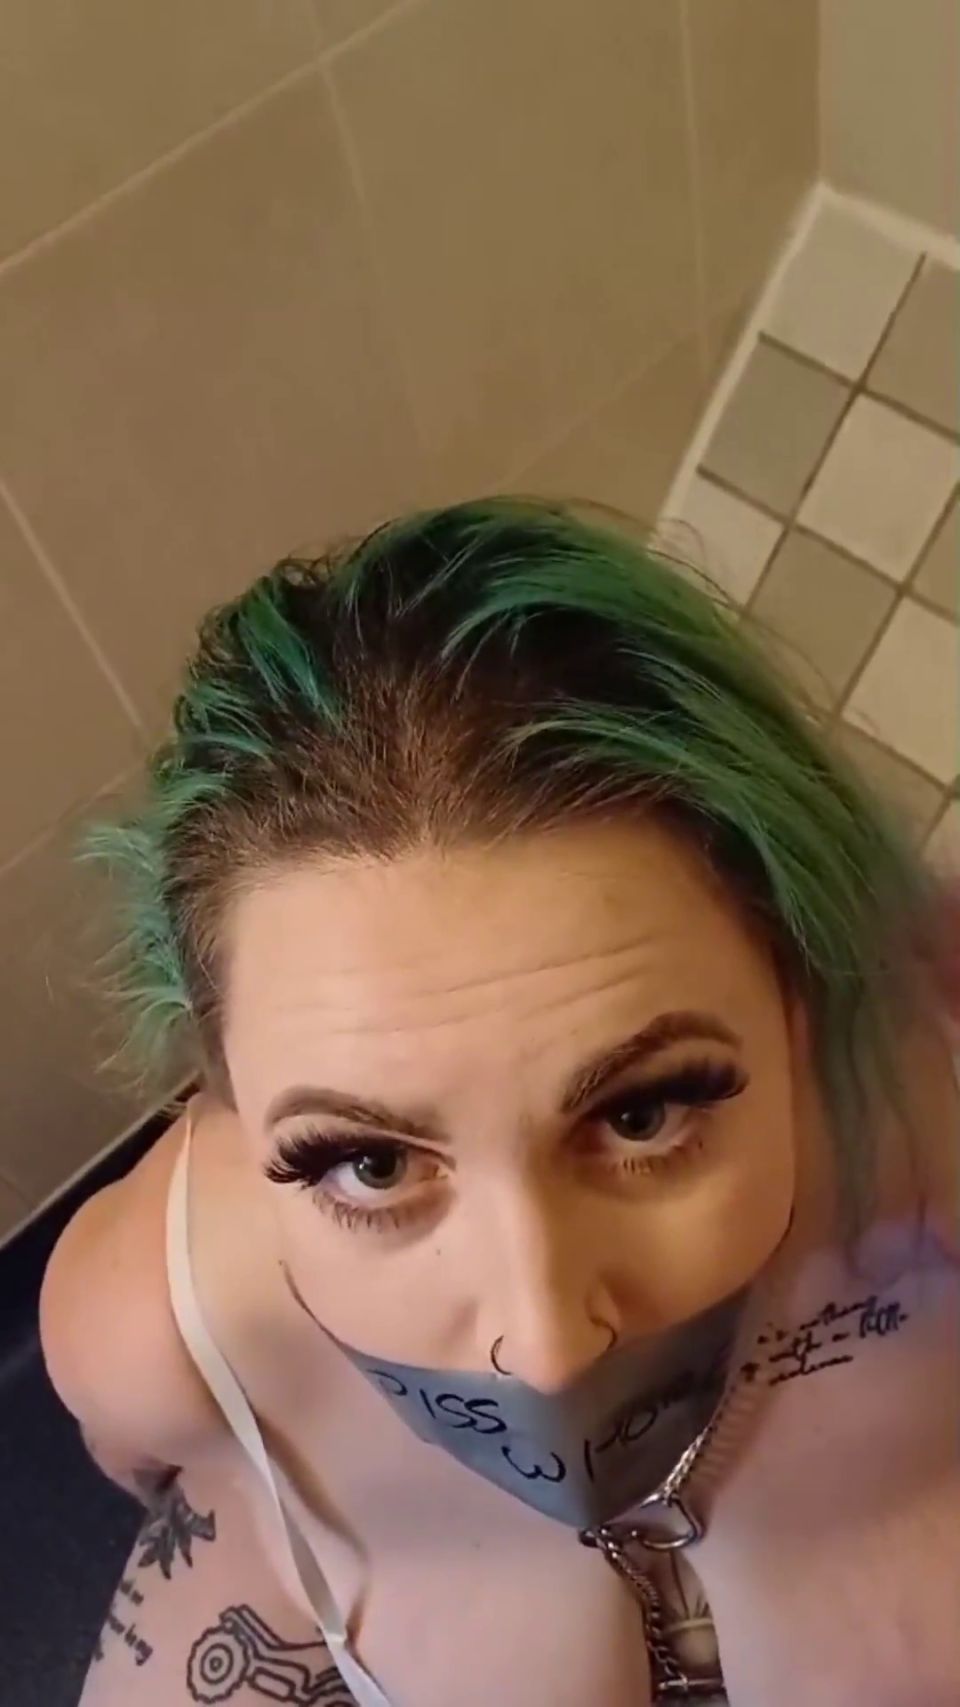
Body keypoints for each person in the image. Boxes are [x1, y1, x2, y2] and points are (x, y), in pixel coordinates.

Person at [39, 499, 959, 1706]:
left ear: (798, 993)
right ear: (224, 1086)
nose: (545, 1341)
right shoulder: (156, 1330)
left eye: (642, 1116)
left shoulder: (927, 1137)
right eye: (370, 1164)